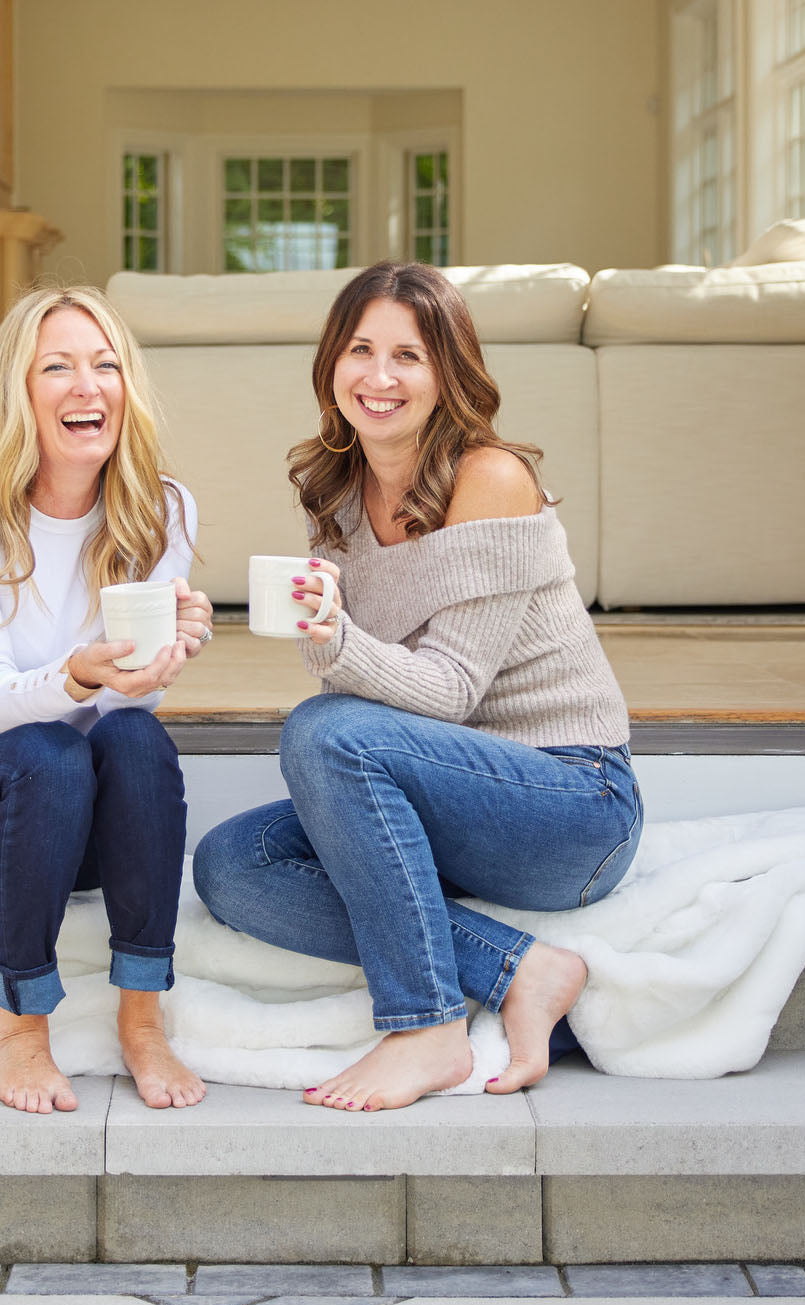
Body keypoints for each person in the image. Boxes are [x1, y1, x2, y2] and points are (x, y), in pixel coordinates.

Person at [193, 261, 642, 1112]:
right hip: (450, 795)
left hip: (572, 802)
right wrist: (326, 635)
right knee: (231, 864)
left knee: (323, 733)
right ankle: (521, 968)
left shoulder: (491, 477)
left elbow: (448, 691)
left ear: (448, 373)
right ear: (332, 364)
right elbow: (365, 679)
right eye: (360, 349)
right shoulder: (339, 493)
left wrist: (338, 642)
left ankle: (428, 1023)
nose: (380, 375)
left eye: (409, 355)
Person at [0, 285, 212, 1114]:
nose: (85, 386)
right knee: (46, 748)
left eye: (104, 365)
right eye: (56, 367)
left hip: (66, 819)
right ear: (17, 392)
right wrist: (81, 673)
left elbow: (137, 700)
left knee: (135, 742)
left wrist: (167, 653)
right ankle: (20, 1025)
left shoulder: (161, 508)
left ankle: (142, 1016)